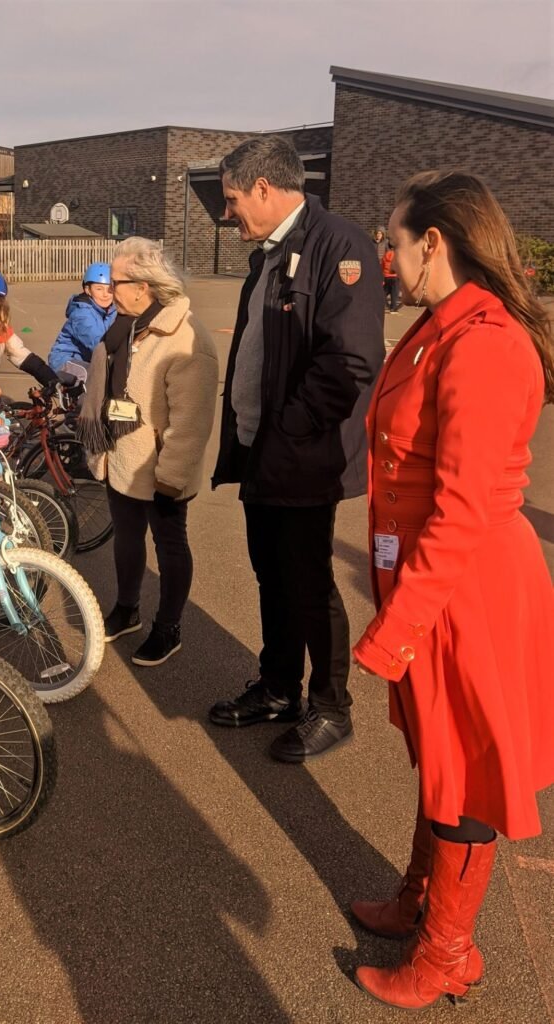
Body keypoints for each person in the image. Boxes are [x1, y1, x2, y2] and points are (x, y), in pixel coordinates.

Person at [350, 170, 554, 1010]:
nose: (385, 259)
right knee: (440, 756)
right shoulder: (442, 326)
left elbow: (462, 509)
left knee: (463, 770)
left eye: (392, 242)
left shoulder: (484, 341)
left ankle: (445, 955)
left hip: (468, 590)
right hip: (437, 582)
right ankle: (419, 899)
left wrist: (394, 628)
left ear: (432, 243)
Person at [209, 136, 385, 762]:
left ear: (263, 188)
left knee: (308, 581)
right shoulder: (269, 254)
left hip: (304, 454)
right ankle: (280, 687)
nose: (228, 213)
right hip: (262, 449)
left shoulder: (339, 245)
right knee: (271, 574)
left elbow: (351, 361)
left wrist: (291, 426)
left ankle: (332, 707)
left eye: (232, 199)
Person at [76, 238, 218, 666]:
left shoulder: (186, 338)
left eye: (116, 282)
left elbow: (190, 424)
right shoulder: (126, 326)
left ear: (143, 287)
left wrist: (170, 477)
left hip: (161, 469)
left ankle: (168, 627)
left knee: (170, 546)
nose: (108, 289)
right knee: (126, 539)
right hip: (121, 459)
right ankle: (127, 608)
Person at [48, 262, 117, 372]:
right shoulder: (82, 314)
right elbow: (98, 344)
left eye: (110, 289)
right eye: (99, 289)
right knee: (95, 376)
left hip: (88, 360)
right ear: (88, 290)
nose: (105, 294)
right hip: (66, 360)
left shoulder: (112, 310)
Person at [381, 245, 401, 312]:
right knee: (394, 293)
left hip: (386, 276)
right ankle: (393, 308)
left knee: (384, 292)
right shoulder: (397, 255)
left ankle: (385, 305)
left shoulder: (385, 255)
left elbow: (382, 265)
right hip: (395, 276)